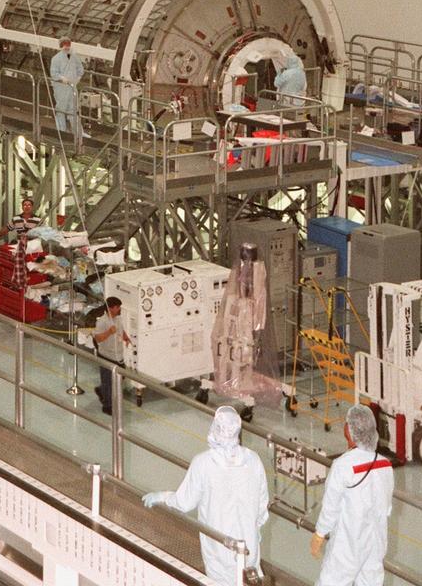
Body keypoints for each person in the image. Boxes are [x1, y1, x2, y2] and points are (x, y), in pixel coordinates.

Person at [143, 405, 269, 586]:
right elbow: (262, 503)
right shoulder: (253, 460)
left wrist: (163, 496)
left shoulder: (203, 463)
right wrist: (256, 528)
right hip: (249, 547)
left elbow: (184, 502)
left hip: (218, 549)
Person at [311, 404, 393, 586]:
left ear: (349, 431)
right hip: (375, 544)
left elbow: (330, 508)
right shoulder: (385, 465)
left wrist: (319, 534)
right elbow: (386, 508)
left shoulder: (343, 466)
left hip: (347, 545)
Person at [212, 242, 280, 406]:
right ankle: (229, 381)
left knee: (244, 354)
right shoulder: (237, 275)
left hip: (249, 319)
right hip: (238, 318)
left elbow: (259, 303)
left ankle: (240, 381)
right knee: (231, 350)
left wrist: (256, 330)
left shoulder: (258, 270)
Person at [93, 296, 133, 415]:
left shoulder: (118, 319)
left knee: (121, 376)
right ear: (110, 308)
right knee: (108, 382)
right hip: (106, 355)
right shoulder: (102, 322)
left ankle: (101, 390)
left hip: (118, 356)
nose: (119, 309)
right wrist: (109, 332)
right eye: (117, 307)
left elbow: (121, 330)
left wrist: (125, 337)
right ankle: (107, 406)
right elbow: (98, 339)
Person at [49, 37, 85, 141]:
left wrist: (77, 79)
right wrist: (62, 78)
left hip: (72, 87)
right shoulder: (55, 59)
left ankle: (78, 133)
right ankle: (61, 132)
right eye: (64, 45)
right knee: (61, 109)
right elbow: (53, 73)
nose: (67, 47)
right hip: (61, 88)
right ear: (61, 46)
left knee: (73, 109)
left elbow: (80, 69)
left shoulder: (74, 57)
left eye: (68, 44)